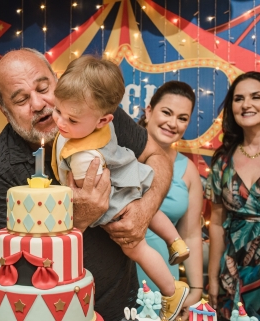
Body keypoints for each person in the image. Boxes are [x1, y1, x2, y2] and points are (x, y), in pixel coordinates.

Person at [0, 48, 173, 321]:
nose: (38, 103)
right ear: (3, 108)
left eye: (43, 87)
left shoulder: (96, 114)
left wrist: (144, 209)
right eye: (21, 99)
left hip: (123, 305)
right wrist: (78, 220)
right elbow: (18, 273)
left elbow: (156, 156)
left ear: (56, 81)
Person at [51, 56, 189, 321]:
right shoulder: (101, 123)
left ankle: (172, 290)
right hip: (129, 175)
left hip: (113, 205)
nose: (60, 123)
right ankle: (175, 242)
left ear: (103, 120)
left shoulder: (81, 155)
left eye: (71, 119)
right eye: (58, 111)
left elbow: (87, 197)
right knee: (144, 205)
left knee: (136, 249)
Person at [206, 71, 260, 320]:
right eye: (238, 99)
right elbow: (216, 224)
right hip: (234, 270)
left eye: (255, 97)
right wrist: (214, 277)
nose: (246, 104)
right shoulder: (222, 160)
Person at [137, 81, 204, 318]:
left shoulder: (187, 170)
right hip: (114, 271)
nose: (173, 123)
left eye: (182, 118)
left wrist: (196, 289)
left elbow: (192, 234)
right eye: (166, 112)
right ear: (148, 111)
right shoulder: (122, 154)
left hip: (162, 282)